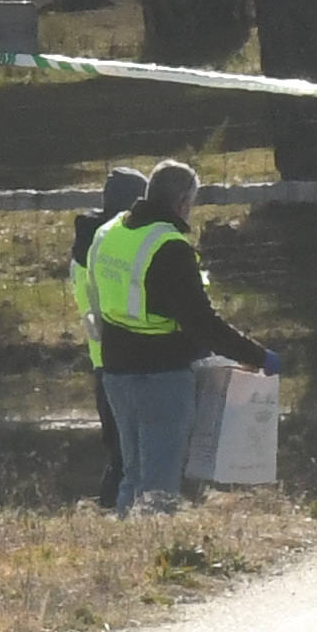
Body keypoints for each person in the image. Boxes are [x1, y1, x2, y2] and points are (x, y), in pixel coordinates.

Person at [87, 159, 280, 517]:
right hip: (161, 376)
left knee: (133, 475)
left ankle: (127, 543)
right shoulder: (171, 247)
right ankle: (150, 556)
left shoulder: (109, 233)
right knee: (159, 484)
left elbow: (95, 294)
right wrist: (258, 356)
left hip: (114, 371)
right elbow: (202, 323)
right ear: (182, 203)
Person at [71, 166, 148, 509]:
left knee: (120, 449)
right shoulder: (113, 246)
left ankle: (113, 512)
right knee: (128, 453)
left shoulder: (87, 241)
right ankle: (112, 512)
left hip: (102, 359)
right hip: (125, 359)